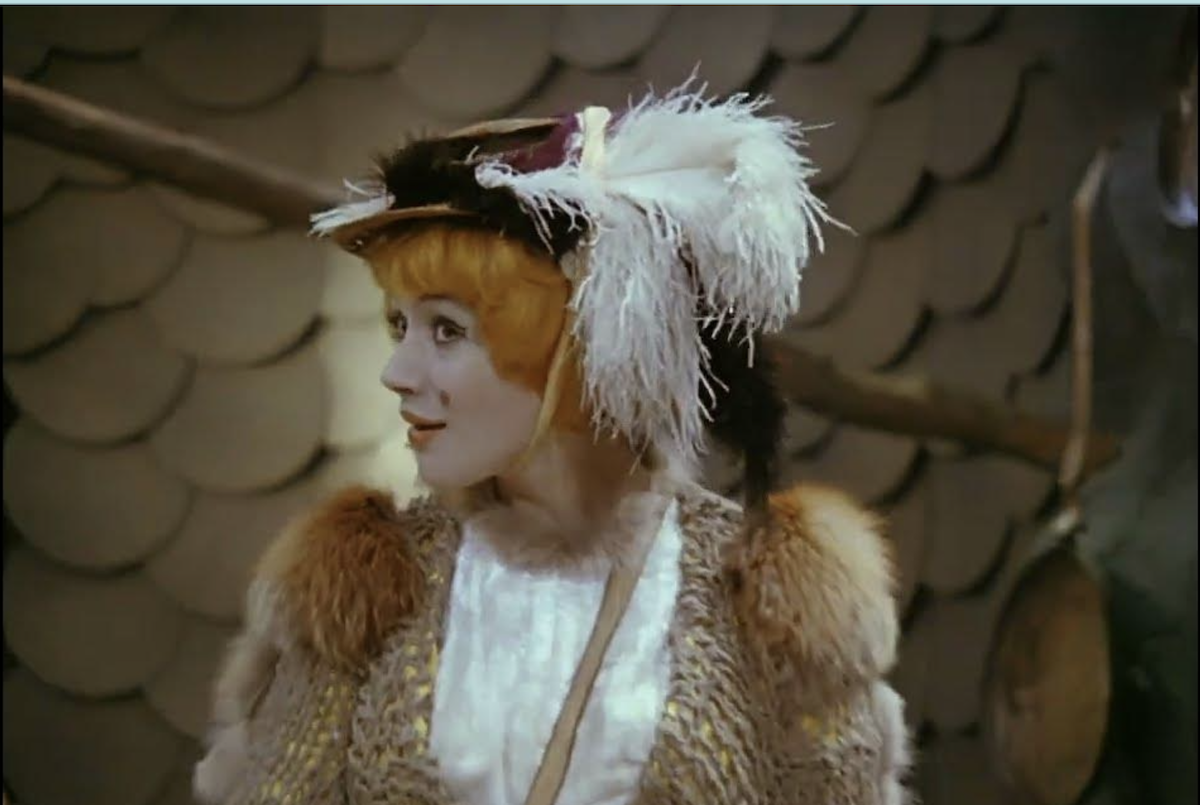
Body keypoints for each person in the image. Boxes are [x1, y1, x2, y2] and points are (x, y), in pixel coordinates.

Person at [194, 81, 910, 805]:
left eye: (447, 330)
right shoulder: (363, 592)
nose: (398, 372)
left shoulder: (773, 605)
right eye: (400, 326)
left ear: (582, 341)